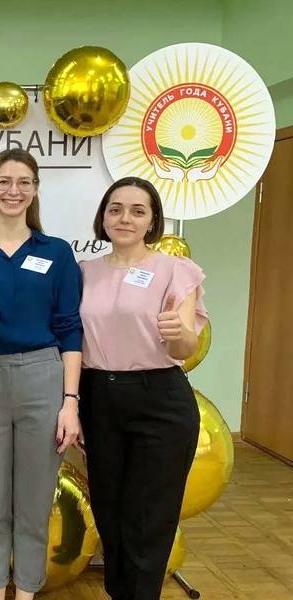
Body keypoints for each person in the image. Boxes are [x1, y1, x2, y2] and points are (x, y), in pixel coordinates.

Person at [0, 148, 82, 600]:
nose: (13, 190)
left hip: (44, 380)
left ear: (36, 189)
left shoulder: (56, 252)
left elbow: (69, 329)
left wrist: (70, 402)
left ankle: (25, 592)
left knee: (34, 505)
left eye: (24, 182)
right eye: (4, 181)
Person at [78, 177, 206, 600]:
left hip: (159, 399)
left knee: (150, 515)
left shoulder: (175, 270)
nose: (125, 218)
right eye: (115, 209)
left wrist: (179, 334)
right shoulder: (84, 272)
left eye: (138, 211)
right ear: (103, 217)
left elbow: (184, 347)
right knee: (109, 509)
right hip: (98, 397)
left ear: (152, 221)